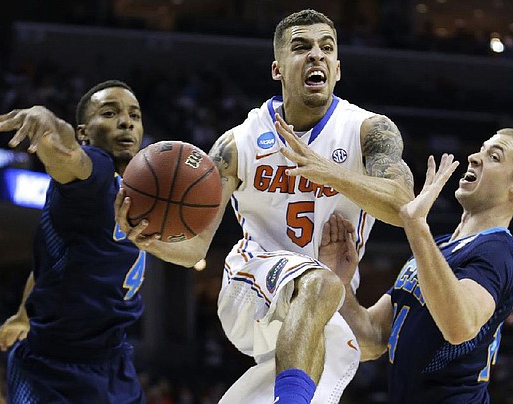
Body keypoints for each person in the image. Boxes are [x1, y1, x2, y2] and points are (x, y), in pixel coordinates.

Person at [115, 9, 413, 404]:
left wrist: (329, 173)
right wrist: (147, 238)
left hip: (325, 294)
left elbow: (403, 207)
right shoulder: (239, 143)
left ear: (338, 69)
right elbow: (195, 249)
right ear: (277, 68)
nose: (316, 56)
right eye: (301, 47)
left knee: (360, 340)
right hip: (251, 283)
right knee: (319, 282)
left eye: (327, 48)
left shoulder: (369, 130)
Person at [313, 129, 513, 403]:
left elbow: (459, 327)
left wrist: (416, 226)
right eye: (481, 150)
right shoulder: (434, 248)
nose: (474, 158)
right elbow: (372, 339)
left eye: (494, 157)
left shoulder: (498, 252)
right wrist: (339, 283)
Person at [0, 80, 149, 403]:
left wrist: (22, 315)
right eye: (110, 113)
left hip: (114, 363)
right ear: (84, 132)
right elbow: (67, 154)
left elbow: (49, 266)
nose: (126, 121)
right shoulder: (96, 170)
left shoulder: (142, 189)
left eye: (135, 115)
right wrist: (47, 123)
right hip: (52, 370)